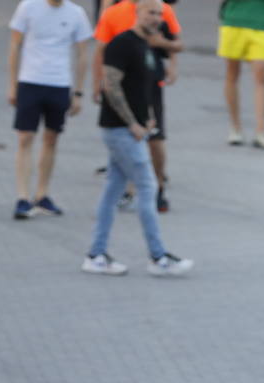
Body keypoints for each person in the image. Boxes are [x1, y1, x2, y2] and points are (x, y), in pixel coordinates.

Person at [83, 0, 193, 277]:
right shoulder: (123, 44)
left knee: (112, 191)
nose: (156, 18)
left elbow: (143, 87)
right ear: (137, 12)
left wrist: (148, 119)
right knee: (147, 186)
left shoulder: (148, 46)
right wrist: (132, 123)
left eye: (159, 13)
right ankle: (158, 257)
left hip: (133, 129)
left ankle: (96, 254)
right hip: (120, 130)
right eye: (150, 12)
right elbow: (111, 85)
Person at [93, 0, 183, 211]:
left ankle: (159, 188)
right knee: (126, 136)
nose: (155, 16)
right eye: (149, 13)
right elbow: (101, 49)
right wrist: (98, 82)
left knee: (156, 139)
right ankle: (129, 190)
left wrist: (171, 62)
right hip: (124, 85)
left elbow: (175, 42)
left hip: (151, 85)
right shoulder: (113, 13)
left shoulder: (162, 10)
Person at [7, 0, 92, 220]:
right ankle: (23, 197)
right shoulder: (28, 7)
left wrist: (79, 92)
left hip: (59, 82)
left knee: (51, 138)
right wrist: (13, 84)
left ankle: (42, 193)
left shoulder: (76, 13)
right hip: (30, 80)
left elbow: (83, 54)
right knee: (25, 137)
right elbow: (15, 44)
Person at [220, 0, 264, 150]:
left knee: (262, 76)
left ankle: (261, 131)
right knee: (232, 74)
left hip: (260, 21)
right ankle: (235, 128)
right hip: (234, 19)